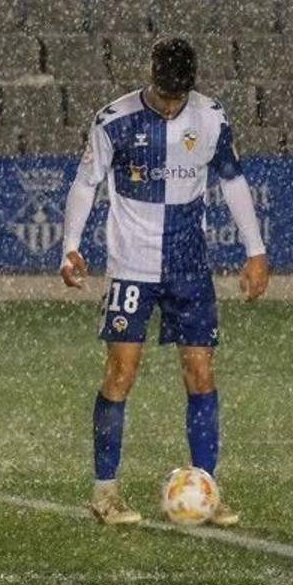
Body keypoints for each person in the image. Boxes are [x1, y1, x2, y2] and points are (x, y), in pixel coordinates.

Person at [59, 37, 269, 526]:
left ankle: (206, 487)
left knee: (201, 374)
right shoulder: (114, 120)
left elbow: (232, 179)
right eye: (165, 95)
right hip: (131, 267)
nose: (172, 106)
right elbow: (86, 182)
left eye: (180, 97)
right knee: (120, 374)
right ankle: (105, 492)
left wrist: (255, 250)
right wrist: (70, 244)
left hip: (188, 268)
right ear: (149, 77)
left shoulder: (210, 117)